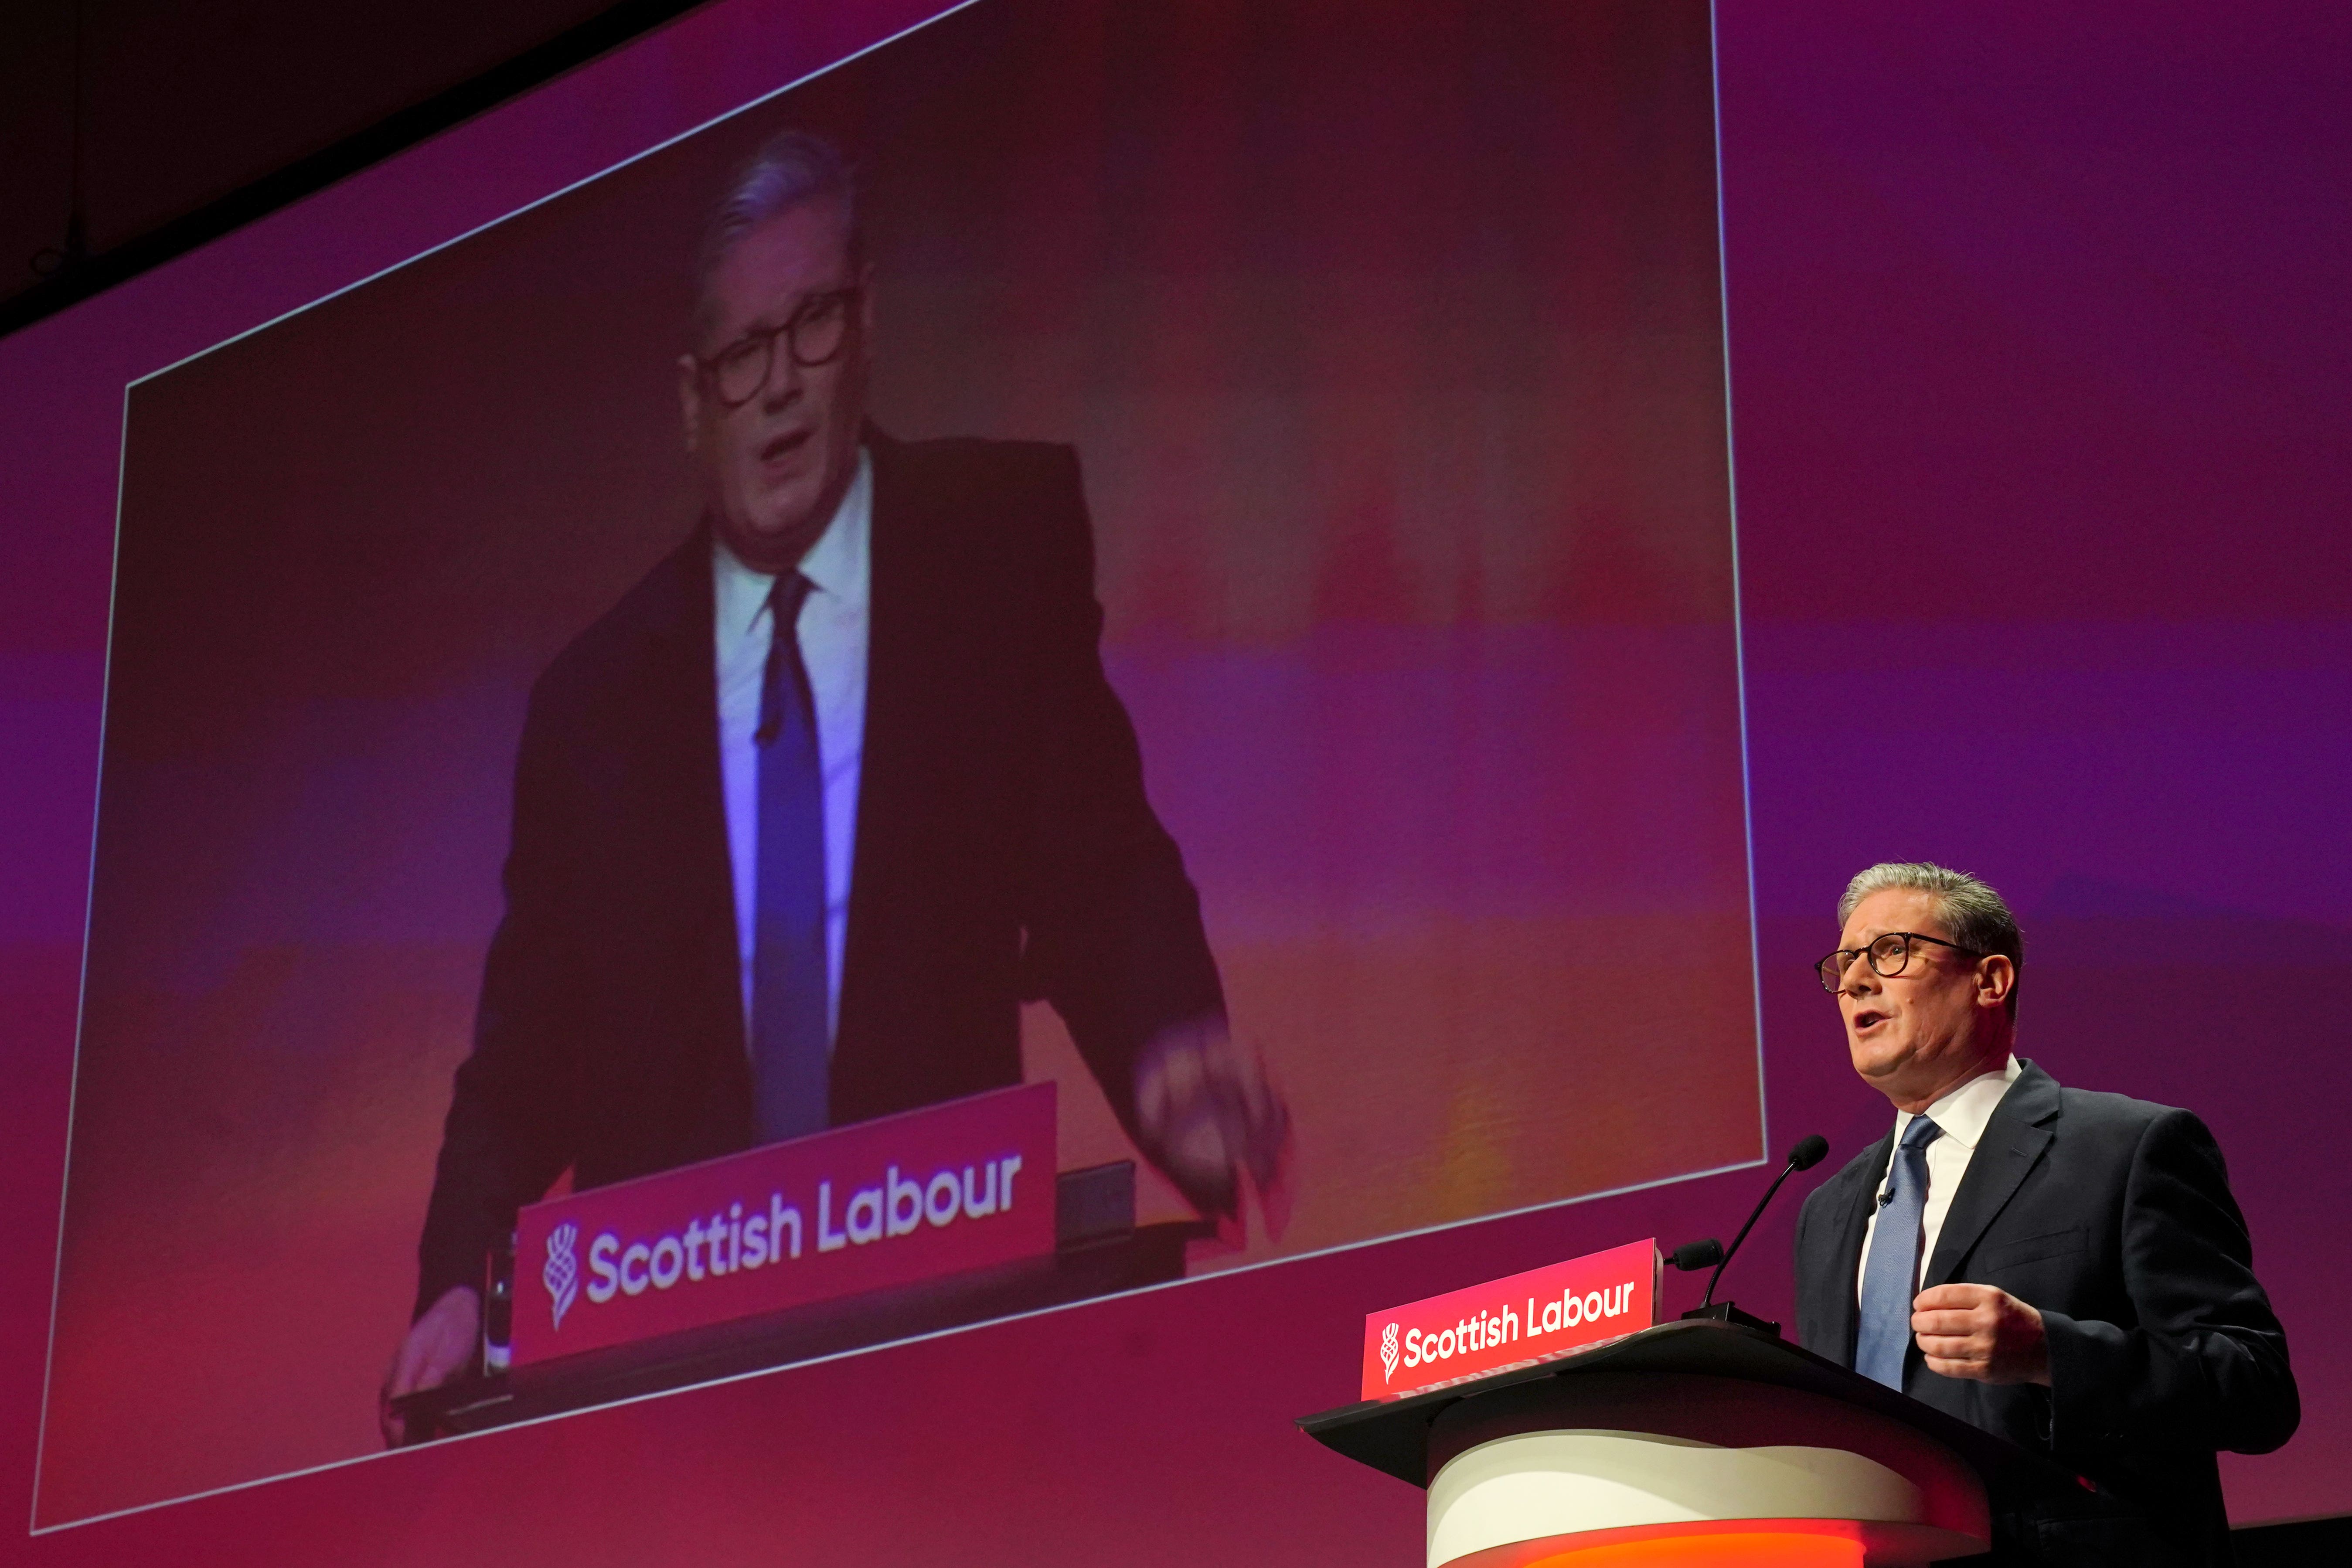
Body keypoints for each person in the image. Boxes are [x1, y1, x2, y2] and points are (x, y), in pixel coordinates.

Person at [380, 132, 1288, 1441]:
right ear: (694, 398)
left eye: (809, 325)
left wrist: (1167, 1046)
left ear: (864, 324)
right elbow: (525, 1058)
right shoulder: (590, 705)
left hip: (942, 1341)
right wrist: (458, 1282)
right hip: (667, 1395)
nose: (780, 388)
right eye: (742, 353)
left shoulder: (999, 537)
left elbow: (1095, 860)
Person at [1791, 862, 2295, 1565]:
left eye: (1889, 952)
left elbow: (2255, 1386)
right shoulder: (1828, 1209)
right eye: (1844, 964)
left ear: (1990, 980)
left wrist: (2050, 1354)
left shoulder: (2127, 1147)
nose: (1853, 982)